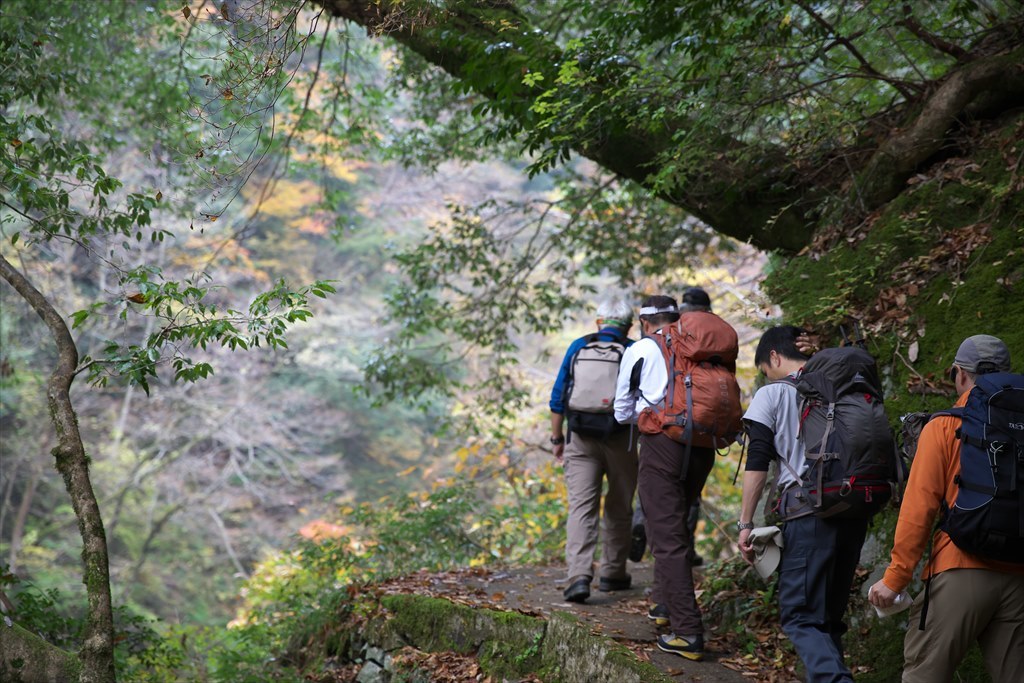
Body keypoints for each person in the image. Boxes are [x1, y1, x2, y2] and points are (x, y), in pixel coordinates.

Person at [867, 334, 1024, 682]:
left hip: (960, 566)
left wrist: (896, 578)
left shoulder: (945, 426)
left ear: (963, 375)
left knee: (925, 676)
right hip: (1018, 574)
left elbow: (918, 507)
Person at [737, 325, 868, 683]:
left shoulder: (773, 393)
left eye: (765, 368)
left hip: (808, 513)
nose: (768, 375)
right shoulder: (844, 385)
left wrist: (745, 523)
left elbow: (758, 461)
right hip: (855, 509)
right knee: (828, 619)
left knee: (800, 615)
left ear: (774, 358)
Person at [614, 294, 720, 660]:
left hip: (662, 446)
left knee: (668, 538)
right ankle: (662, 606)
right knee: (671, 528)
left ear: (644, 323)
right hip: (703, 446)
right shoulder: (698, 345)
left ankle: (688, 633)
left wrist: (646, 415)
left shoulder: (641, 348)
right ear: (678, 318)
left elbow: (621, 411)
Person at [550, 294, 638, 603]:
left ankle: (578, 576)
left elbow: (558, 396)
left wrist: (557, 439)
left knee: (581, 506)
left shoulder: (578, 347)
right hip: (621, 439)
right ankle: (613, 573)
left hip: (580, 438)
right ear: (628, 326)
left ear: (599, 322)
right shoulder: (632, 350)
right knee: (619, 505)